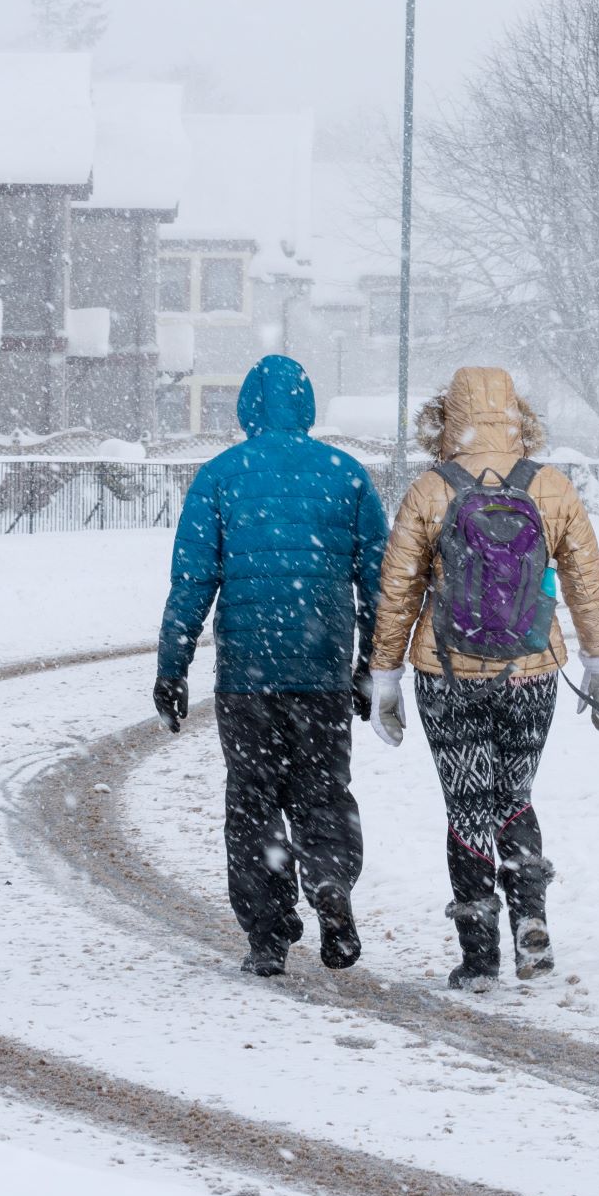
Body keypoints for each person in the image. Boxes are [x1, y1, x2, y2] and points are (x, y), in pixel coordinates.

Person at [365, 366, 599, 990]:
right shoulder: (550, 486)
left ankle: (479, 958)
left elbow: (397, 590)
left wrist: (385, 675)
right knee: (515, 796)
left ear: (445, 419)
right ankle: (531, 923)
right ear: (519, 416)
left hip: (447, 673)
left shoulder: (430, 489)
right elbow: (585, 580)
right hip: (533, 670)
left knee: (467, 806)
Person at [156, 354, 389, 978]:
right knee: (322, 792)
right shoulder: (346, 475)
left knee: (253, 800)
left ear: (247, 408)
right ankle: (330, 887)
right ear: (307, 405)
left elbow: (192, 582)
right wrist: (372, 664)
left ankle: (267, 932)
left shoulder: (220, 476)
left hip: (247, 675)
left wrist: (172, 666)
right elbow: (380, 582)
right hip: (321, 669)